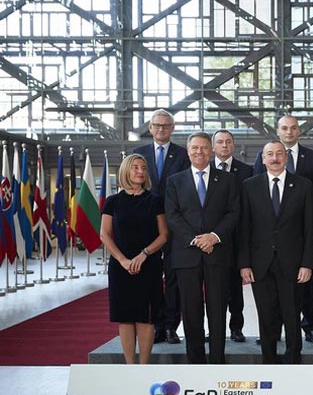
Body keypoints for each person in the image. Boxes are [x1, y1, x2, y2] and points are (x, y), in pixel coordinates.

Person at [165, 133, 240, 364]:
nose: (200, 152)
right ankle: (195, 362)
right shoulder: (175, 181)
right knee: (191, 311)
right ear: (188, 151)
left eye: (204, 147)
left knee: (217, 310)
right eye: (195, 148)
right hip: (187, 255)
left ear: (212, 150)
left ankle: (217, 361)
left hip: (218, 253)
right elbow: (172, 215)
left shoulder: (227, 180)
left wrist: (214, 237)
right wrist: (196, 240)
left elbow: (234, 213)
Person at [239, 140, 313, 364]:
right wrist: (244, 264)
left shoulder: (303, 186)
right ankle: (269, 361)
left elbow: (310, 229)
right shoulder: (249, 186)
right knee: (266, 316)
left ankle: (293, 361)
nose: (275, 158)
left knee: (292, 316)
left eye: (279, 154)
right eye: (270, 154)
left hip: (293, 264)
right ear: (263, 159)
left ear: (286, 157)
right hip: (260, 264)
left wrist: (307, 264)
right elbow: (244, 228)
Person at [253, 116, 313, 345]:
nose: (289, 132)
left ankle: (310, 327)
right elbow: (257, 194)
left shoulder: (312, 157)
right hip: (271, 241)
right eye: (284, 128)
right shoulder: (264, 156)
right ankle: (272, 330)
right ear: (278, 131)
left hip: (300, 236)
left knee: (305, 287)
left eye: (293, 128)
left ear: (299, 131)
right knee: (274, 294)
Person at [100, 154, 169, 364]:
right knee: (126, 318)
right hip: (120, 267)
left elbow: (164, 235)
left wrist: (144, 254)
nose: (141, 171)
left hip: (149, 266)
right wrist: (123, 260)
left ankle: (143, 368)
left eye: (144, 168)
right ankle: (130, 368)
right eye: (136, 167)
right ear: (125, 171)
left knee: (146, 318)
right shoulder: (113, 202)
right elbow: (104, 234)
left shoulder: (155, 200)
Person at [133, 109, 190, 345]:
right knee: (151, 278)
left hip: (176, 226)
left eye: (166, 125)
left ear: (172, 128)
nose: (161, 129)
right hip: (147, 226)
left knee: (174, 278)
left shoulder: (183, 154)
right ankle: (155, 325)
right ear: (150, 127)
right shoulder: (138, 154)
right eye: (157, 125)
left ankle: (171, 327)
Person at [212, 129, 252, 343]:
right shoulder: (205, 169)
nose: (225, 145)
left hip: (237, 236)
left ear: (233, 145)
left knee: (236, 288)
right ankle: (213, 328)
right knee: (214, 289)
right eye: (220, 142)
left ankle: (237, 327)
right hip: (212, 238)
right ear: (213, 147)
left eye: (228, 142)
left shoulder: (247, 170)